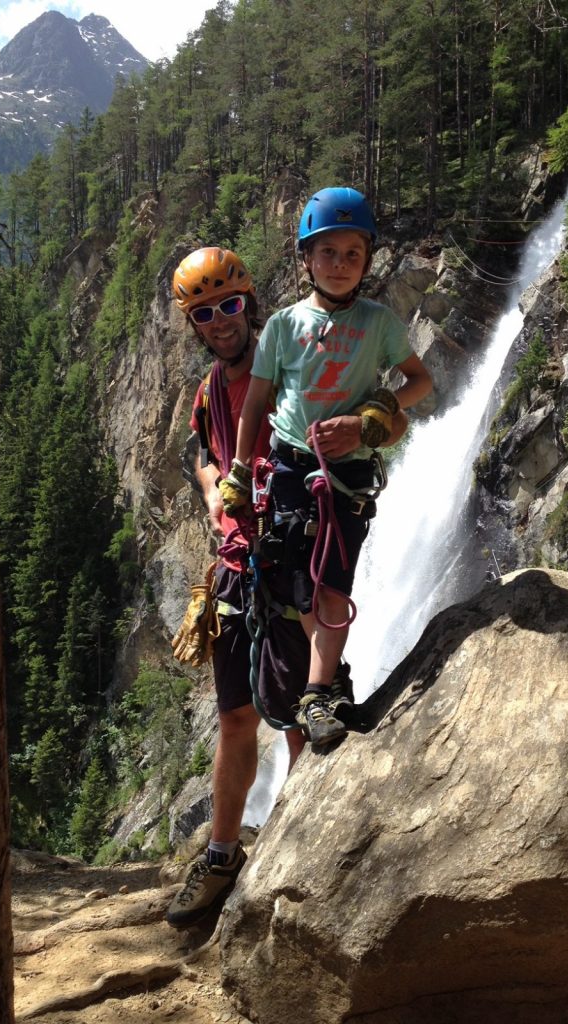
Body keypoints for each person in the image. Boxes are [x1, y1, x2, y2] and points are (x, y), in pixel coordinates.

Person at [220, 187, 433, 747]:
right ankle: (330, 681)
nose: (340, 265)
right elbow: (257, 403)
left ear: (367, 260)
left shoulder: (379, 324)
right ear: (307, 258)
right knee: (297, 586)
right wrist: (240, 472)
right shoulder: (284, 327)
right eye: (328, 253)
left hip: (349, 475)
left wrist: (371, 418)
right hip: (291, 470)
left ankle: (317, 697)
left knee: (330, 583)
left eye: (353, 254)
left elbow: (420, 381)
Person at [165, 246, 310, 928]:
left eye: (228, 307)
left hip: (285, 555)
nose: (220, 322)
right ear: (193, 323)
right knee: (235, 716)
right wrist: (210, 493)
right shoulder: (207, 390)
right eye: (205, 313)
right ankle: (224, 855)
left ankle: (311, 845)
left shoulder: (281, 365)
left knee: (301, 710)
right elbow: (201, 451)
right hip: (235, 560)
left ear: (247, 304)